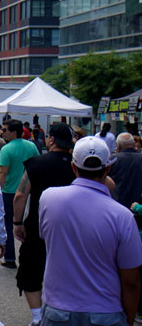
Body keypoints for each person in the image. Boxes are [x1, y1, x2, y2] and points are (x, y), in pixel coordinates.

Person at [39, 136, 142, 325]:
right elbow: (131, 280)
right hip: (106, 312)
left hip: (58, 311)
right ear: (108, 169)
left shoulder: (48, 198)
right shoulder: (122, 216)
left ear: (73, 167)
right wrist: (128, 319)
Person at [12, 123, 76, 326]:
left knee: (31, 268)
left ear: (51, 140)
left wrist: (17, 222)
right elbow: (108, 184)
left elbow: (21, 194)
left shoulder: (36, 163)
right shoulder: (78, 165)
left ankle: (38, 316)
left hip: (39, 224)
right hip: (73, 227)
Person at [0, 119, 39, 269]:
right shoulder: (32, 146)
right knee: (27, 223)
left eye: (5, 130)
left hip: (9, 191)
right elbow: (37, 165)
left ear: (14, 132)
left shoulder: (6, 149)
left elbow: (3, 172)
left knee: (9, 223)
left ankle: (9, 257)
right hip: (28, 191)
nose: (2, 132)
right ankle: (29, 256)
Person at [109, 132, 142, 210]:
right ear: (133, 144)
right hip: (137, 206)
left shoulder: (112, 160)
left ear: (118, 145)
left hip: (116, 205)